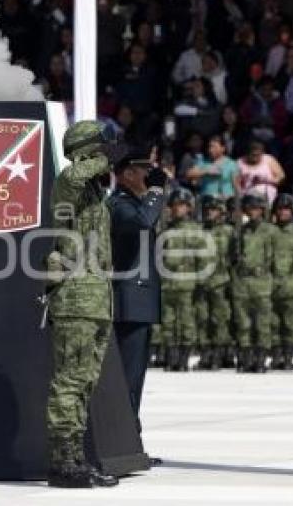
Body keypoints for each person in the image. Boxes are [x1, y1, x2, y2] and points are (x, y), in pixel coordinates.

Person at [44, 120, 124, 489]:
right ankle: (63, 462)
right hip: (76, 295)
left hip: (96, 295)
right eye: (103, 147)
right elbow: (75, 178)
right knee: (70, 379)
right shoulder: (69, 181)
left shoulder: (95, 192)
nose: (110, 155)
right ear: (87, 151)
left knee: (86, 380)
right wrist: (104, 158)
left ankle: (76, 456)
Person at [108, 151, 166, 431]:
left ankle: (130, 437)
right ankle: (125, 437)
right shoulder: (119, 204)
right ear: (127, 173)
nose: (149, 175)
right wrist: (156, 191)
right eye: (145, 170)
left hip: (136, 300)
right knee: (128, 376)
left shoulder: (133, 203)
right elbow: (142, 222)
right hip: (129, 301)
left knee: (135, 376)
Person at [159, 189, 203, 372]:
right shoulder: (165, 229)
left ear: (189, 208)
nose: (178, 209)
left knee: (186, 321)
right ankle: (171, 357)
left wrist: (200, 282)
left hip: (186, 284)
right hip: (167, 284)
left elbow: (203, 260)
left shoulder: (196, 230)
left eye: (182, 206)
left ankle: (184, 358)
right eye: (175, 206)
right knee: (168, 322)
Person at [231, 193, 276, 373]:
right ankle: (245, 358)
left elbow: (277, 259)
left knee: (262, 323)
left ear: (263, 210)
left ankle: (261, 359)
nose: (253, 212)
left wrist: (276, 281)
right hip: (243, 282)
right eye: (250, 209)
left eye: (257, 209)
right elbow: (232, 258)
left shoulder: (271, 231)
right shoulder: (240, 231)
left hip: (263, 282)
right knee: (243, 323)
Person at [196, 195, 234, 370]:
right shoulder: (199, 231)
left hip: (221, 281)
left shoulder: (229, 231)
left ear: (222, 212)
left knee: (220, 319)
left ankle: (220, 354)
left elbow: (234, 258)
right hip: (202, 282)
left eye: (214, 209)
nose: (210, 213)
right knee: (203, 319)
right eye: (208, 210)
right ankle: (206, 354)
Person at [270, 194, 293, 370]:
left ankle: (289, 356)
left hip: (292, 282)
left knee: (290, 322)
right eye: (280, 209)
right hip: (271, 282)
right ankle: (276, 356)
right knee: (273, 322)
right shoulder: (270, 231)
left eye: (286, 209)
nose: (283, 212)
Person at [187, 134, 240, 198]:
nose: (211, 150)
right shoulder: (203, 161)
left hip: (225, 199)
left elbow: (236, 186)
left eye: (214, 147)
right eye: (210, 147)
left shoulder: (231, 164)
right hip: (206, 199)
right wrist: (206, 171)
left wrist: (238, 201)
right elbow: (189, 174)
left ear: (223, 148)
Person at [238, 141, 285, 205]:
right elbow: (236, 183)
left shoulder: (268, 159)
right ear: (247, 154)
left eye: (259, 155)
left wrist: (265, 180)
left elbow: (281, 177)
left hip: (268, 194)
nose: (256, 157)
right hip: (248, 196)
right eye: (253, 155)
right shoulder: (239, 163)